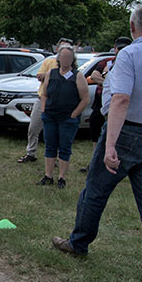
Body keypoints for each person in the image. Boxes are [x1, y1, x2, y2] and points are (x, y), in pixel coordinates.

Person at [52, 4, 142, 282]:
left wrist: (110, 145)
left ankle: (78, 243)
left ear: (132, 28)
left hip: (128, 133)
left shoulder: (129, 55)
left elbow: (121, 99)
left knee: (96, 191)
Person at [36, 45, 90, 188]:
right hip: (50, 117)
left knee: (65, 147)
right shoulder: (51, 73)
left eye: (69, 57)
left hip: (67, 119)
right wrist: (44, 111)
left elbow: (85, 99)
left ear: (73, 60)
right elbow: (45, 94)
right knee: (50, 146)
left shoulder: (77, 75)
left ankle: (61, 177)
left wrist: (73, 115)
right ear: (58, 58)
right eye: (63, 57)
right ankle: (48, 176)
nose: (66, 60)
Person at [17, 40, 73, 163]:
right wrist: (52, 73)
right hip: (42, 99)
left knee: (57, 131)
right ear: (58, 49)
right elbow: (39, 76)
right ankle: (31, 153)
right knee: (33, 128)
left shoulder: (72, 67)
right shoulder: (49, 61)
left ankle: (58, 157)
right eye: (62, 48)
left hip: (59, 103)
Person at [82, 37, 132, 171]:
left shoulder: (130, 63)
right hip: (100, 103)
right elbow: (94, 76)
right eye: (119, 48)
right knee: (95, 130)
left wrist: (109, 82)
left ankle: (111, 162)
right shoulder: (107, 62)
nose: (121, 51)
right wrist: (108, 82)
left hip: (116, 105)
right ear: (115, 49)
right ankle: (94, 162)